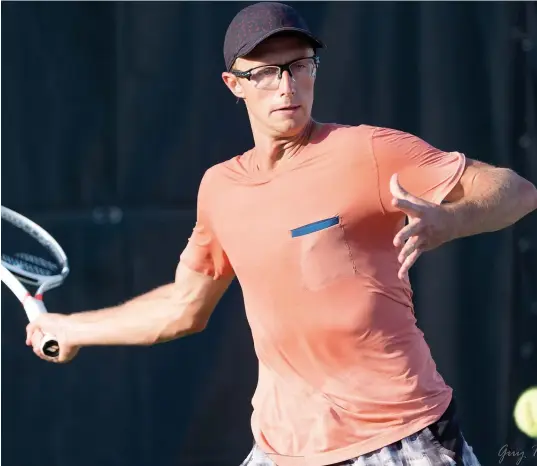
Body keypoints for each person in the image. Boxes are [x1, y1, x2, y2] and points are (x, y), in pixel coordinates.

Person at [26, 2, 537, 466]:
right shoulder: (220, 188)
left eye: (298, 67)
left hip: (400, 439)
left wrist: (453, 218)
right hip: (281, 448)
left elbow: (516, 191)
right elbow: (183, 308)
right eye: (267, 73)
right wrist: (72, 328)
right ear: (235, 84)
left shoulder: (370, 150)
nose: (287, 88)